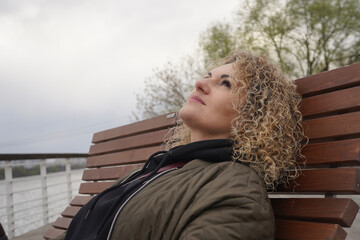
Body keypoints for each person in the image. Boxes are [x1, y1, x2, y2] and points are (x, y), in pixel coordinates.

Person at [53, 50, 305, 240]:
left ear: (254, 115)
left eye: (225, 83)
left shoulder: (237, 186)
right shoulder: (161, 168)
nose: (200, 83)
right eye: (208, 76)